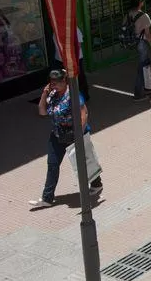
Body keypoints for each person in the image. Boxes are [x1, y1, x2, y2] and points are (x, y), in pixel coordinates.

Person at [29, 69, 103, 209]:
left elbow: (84, 113)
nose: (54, 85)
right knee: (52, 165)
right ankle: (47, 198)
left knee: (84, 162)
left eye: (57, 83)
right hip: (57, 135)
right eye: (52, 83)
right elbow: (42, 112)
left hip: (73, 135)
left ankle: (96, 184)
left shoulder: (73, 94)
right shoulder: (52, 94)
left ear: (65, 81)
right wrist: (44, 93)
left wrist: (78, 134)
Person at [125, 0, 151, 100]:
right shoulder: (144, 16)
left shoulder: (128, 14)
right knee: (143, 68)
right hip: (142, 43)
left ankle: (148, 88)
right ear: (140, 3)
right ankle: (138, 93)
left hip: (133, 42)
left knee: (145, 65)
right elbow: (148, 35)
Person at [52, 28, 89, 102]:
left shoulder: (74, 28)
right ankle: (67, 97)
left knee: (78, 77)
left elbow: (78, 44)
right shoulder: (56, 28)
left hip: (74, 57)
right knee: (64, 79)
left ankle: (83, 96)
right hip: (61, 58)